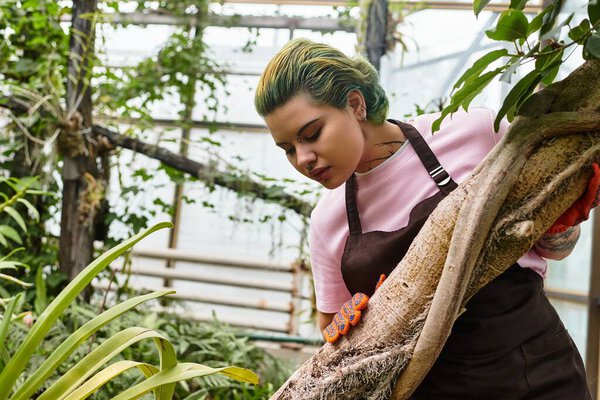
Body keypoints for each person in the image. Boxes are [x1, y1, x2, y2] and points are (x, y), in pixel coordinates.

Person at [254, 38, 593, 399]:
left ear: (355, 104)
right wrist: (350, 323)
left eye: (311, 134)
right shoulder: (328, 220)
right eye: (288, 148)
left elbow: (554, 247)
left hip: (536, 376)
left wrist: (563, 214)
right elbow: (332, 332)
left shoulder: (473, 133)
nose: (303, 158)